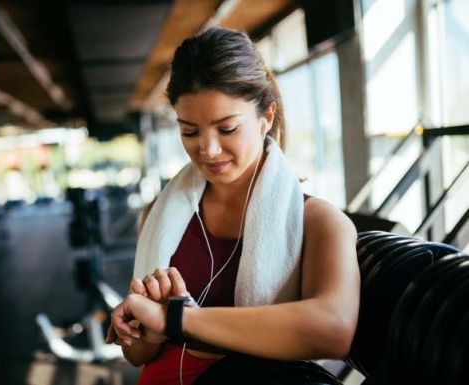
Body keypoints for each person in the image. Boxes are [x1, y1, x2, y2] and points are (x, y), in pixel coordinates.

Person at [106, 27, 360, 385]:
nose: (207, 150)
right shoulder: (159, 214)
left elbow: (333, 329)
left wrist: (178, 319)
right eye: (190, 132)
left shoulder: (319, 221)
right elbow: (137, 356)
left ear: (266, 118)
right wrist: (140, 328)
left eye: (226, 129)